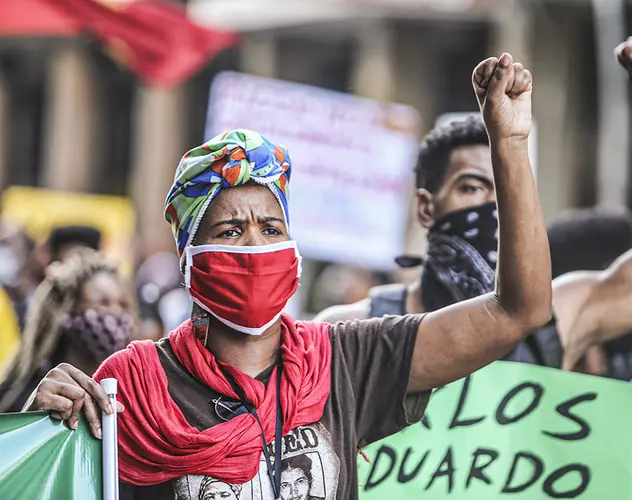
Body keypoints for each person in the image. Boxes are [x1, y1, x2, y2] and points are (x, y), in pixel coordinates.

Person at [21, 53, 552, 500]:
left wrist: (509, 144)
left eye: (271, 227)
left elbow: (518, 310)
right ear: (189, 257)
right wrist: (38, 428)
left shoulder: (347, 362)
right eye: (230, 230)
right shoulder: (134, 385)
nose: (255, 244)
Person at [316, 30, 632, 407]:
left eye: (504, 192)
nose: (492, 209)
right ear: (427, 208)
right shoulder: (352, 334)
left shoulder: (556, 320)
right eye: (471, 188)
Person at [0, 248, 133, 412]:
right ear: (67, 310)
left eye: (123, 304)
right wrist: (31, 415)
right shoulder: (25, 394)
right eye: (103, 303)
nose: (116, 312)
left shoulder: (134, 392)